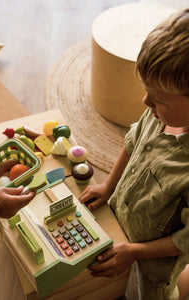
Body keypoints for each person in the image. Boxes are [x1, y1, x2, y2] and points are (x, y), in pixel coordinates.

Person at [79, 8, 189, 300]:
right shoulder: (158, 112)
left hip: (155, 266)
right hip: (120, 226)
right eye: (146, 90)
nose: (145, 101)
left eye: (159, 98)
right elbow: (133, 142)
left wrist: (136, 253)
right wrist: (108, 185)